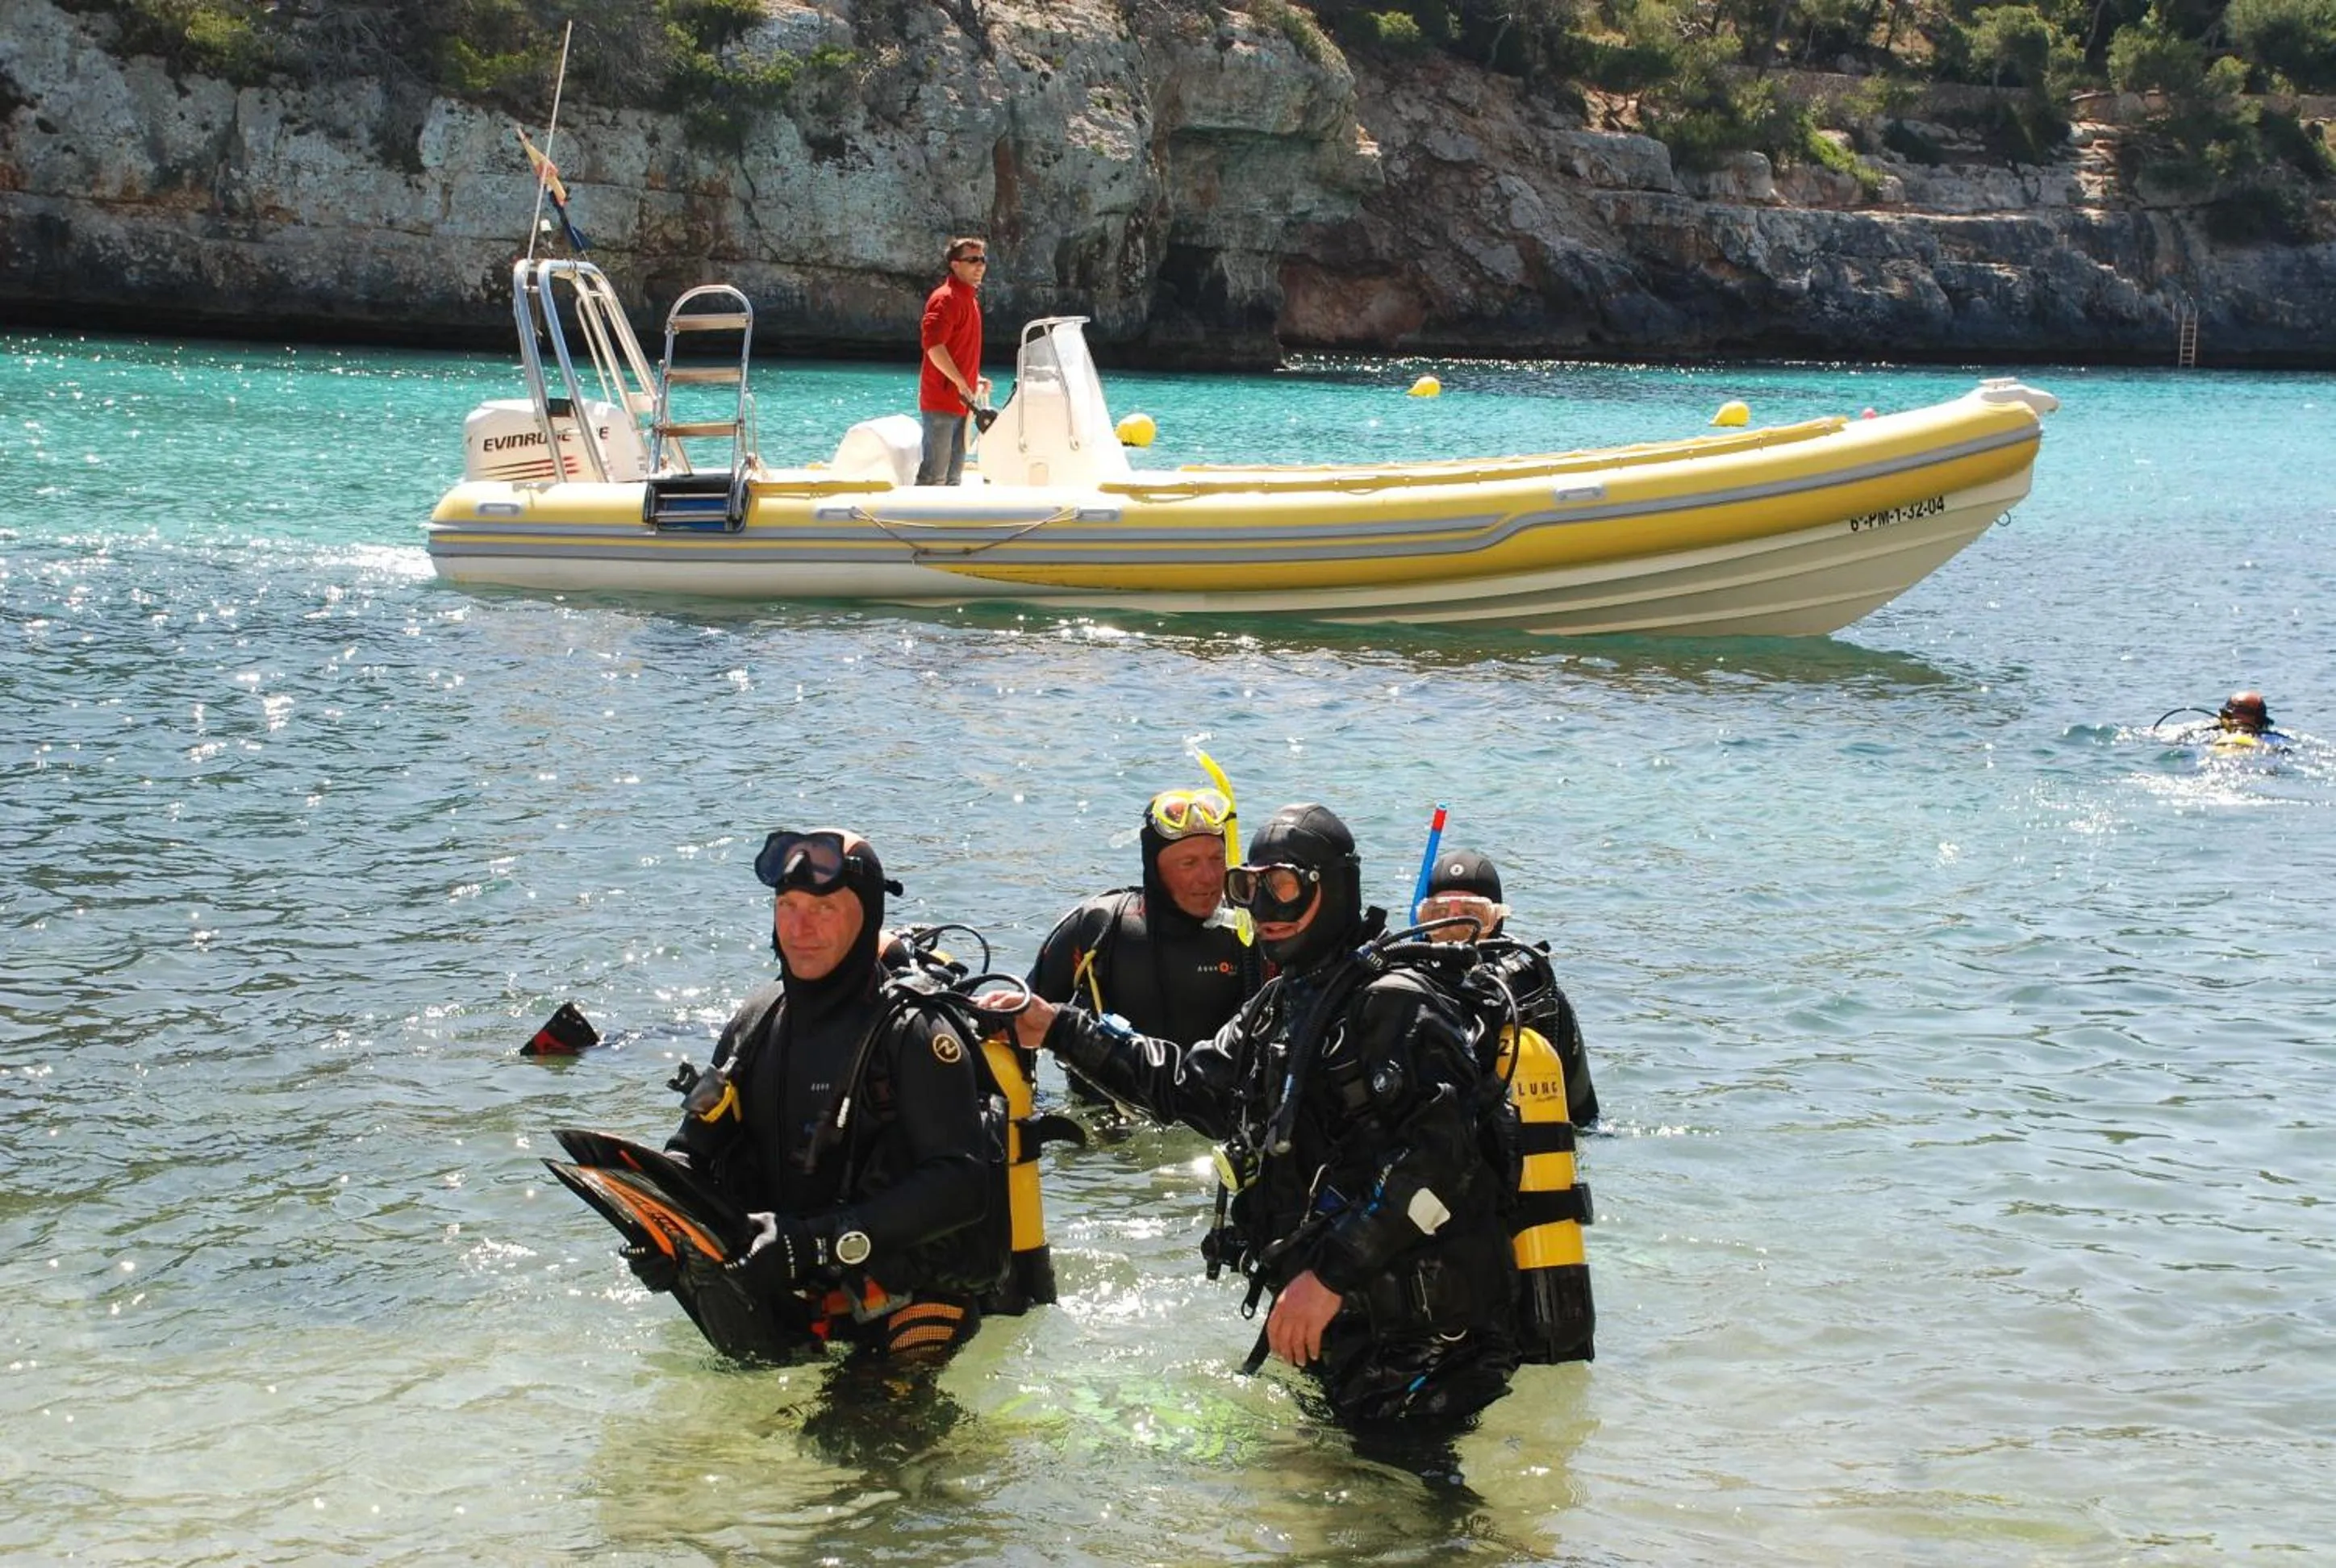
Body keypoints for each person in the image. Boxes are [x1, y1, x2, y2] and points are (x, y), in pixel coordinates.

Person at [999, 803, 1522, 1432]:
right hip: (1343, 1325)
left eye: (1283, 886)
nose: (1264, 909)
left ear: (1332, 888)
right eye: (1249, 887)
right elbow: (1187, 1085)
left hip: (1429, 1340)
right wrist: (1057, 1027)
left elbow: (1440, 1163)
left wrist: (1328, 1276)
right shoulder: (1283, 1004)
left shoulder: (1396, 1007)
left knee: (1397, 1491)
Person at [631, 828, 1008, 1366]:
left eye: (824, 908)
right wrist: (661, 1231)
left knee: (860, 1422)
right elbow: (691, 1155)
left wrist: (815, 1242)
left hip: (908, 1305)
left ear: (867, 916)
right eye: (787, 906)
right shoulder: (757, 1021)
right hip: (785, 1299)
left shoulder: (914, 1034)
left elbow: (963, 1187)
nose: (799, 928)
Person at [1025, 786, 1264, 1105]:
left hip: (1211, 1115)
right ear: (1154, 866)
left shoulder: (1251, 932)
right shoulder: (1101, 927)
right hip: (1105, 1120)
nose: (1208, 877)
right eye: (1189, 863)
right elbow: (1023, 1020)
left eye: (1216, 858)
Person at [1414, 849, 1600, 1128]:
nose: (1454, 928)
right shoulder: (1408, 990)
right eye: (1439, 914)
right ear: (1424, 921)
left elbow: (1584, 1118)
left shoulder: (1533, 991)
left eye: (1472, 916)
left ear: (1497, 919)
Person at [916, 236, 991, 486]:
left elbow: (959, 349)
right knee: (934, 475)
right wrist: (960, 381)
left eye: (982, 260)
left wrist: (974, 378)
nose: (980, 265)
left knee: (953, 477)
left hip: (963, 401)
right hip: (941, 401)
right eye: (973, 260)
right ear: (955, 264)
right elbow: (934, 347)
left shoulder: (970, 300)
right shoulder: (945, 299)